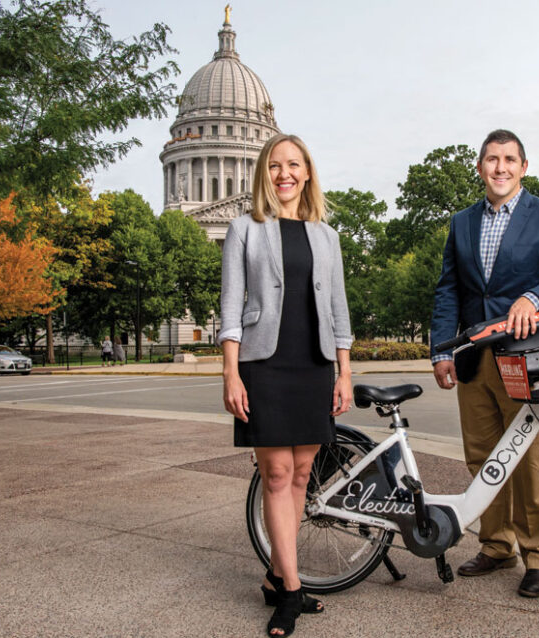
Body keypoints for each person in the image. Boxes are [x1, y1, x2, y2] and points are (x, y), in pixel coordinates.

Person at [430, 129, 539, 599]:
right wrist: (442, 351)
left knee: (530, 464)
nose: (499, 167)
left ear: (523, 167)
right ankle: (496, 545)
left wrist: (533, 297)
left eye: (509, 160)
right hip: (474, 361)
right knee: (482, 459)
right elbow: (449, 291)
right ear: (479, 167)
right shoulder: (461, 223)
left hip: (526, 361)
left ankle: (538, 557)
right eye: (491, 160)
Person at [217, 133, 353, 638]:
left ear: (308, 172)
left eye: (294, 165)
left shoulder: (327, 235)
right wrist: (231, 372)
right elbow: (231, 307)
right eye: (275, 166)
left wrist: (345, 370)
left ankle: (277, 576)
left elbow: (338, 309)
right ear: (264, 174)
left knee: (301, 476)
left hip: (314, 361)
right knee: (276, 475)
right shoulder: (243, 228)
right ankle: (292, 592)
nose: (285, 174)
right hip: (265, 362)